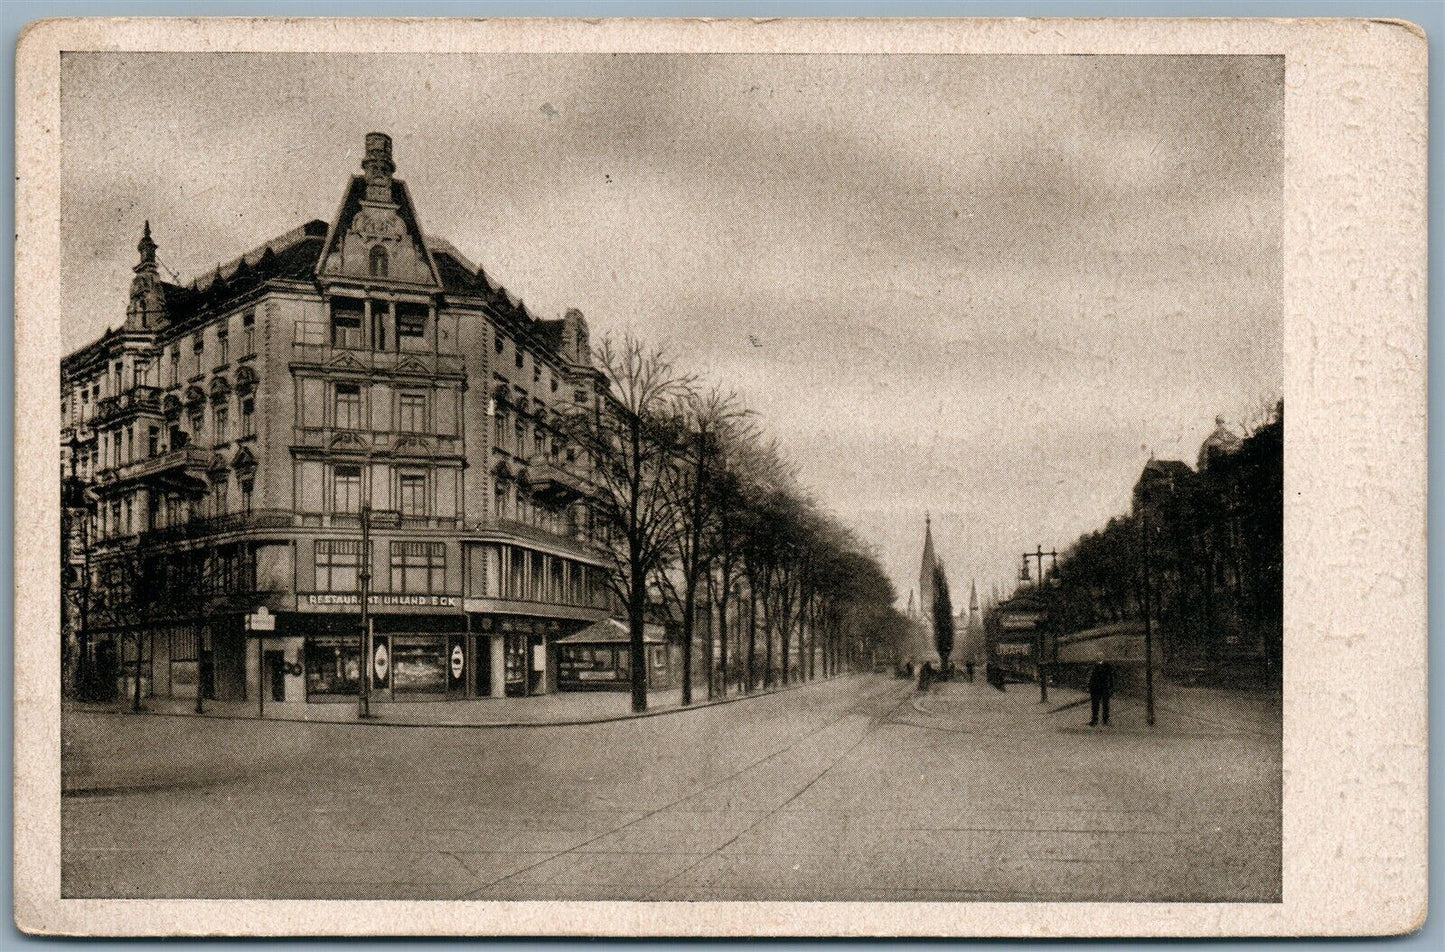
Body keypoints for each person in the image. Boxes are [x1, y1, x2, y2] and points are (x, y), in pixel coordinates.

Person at [1088, 660, 1115, 727]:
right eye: (1098, 657)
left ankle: (1105, 720)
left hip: (1104, 688)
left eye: (1100, 657)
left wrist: (1111, 688)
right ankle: (1094, 720)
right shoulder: (1094, 666)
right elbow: (1091, 677)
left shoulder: (1107, 666)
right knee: (1095, 705)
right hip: (1095, 688)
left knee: (1105, 705)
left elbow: (1110, 677)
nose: (1099, 658)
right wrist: (1090, 687)